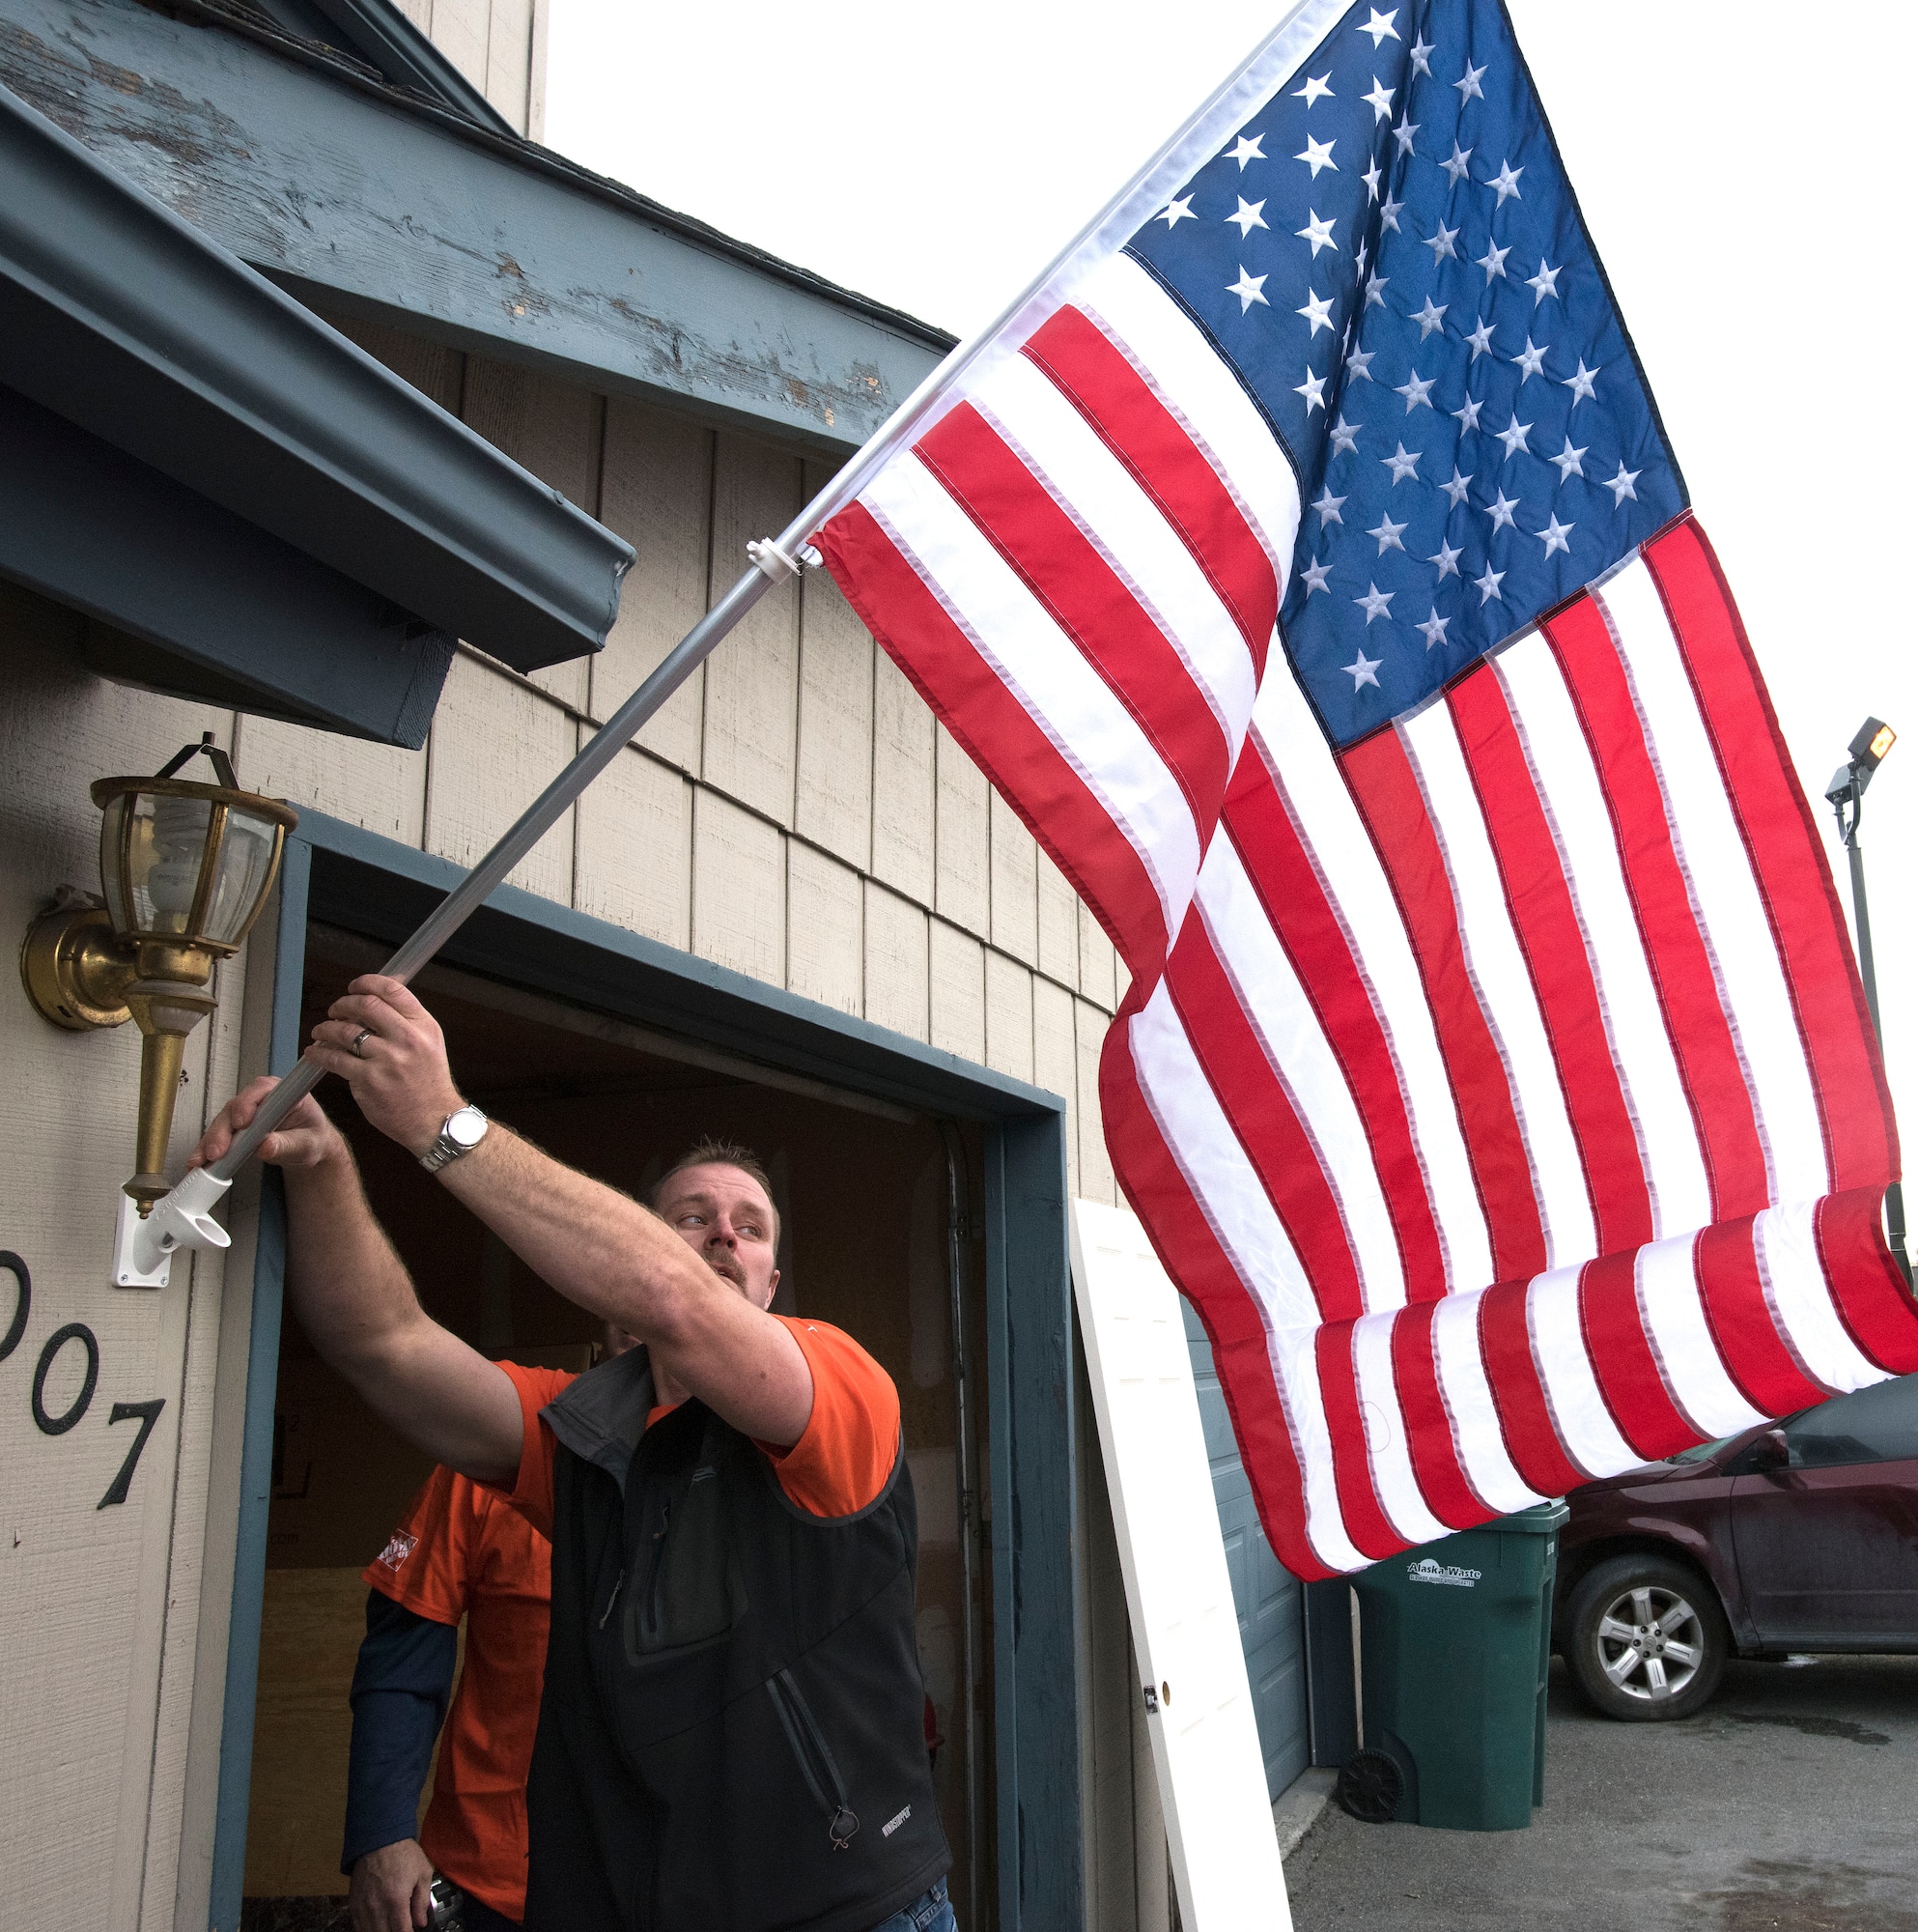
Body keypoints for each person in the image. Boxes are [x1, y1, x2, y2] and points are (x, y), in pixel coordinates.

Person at [194, 975, 952, 1932]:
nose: (722, 1231)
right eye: (690, 1216)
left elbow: (678, 1299)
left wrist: (441, 1121)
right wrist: (326, 1166)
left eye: (749, 1226)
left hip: (844, 1910)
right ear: (611, 1270)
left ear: (770, 1285)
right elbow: (382, 1343)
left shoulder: (841, 1388)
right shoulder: (582, 1432)